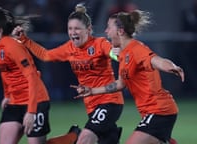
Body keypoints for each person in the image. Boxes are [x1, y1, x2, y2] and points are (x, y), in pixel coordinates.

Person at [12, 3, 124, 144]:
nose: (73, 32)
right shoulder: (69, 48)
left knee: (85, 138)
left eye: (77, 28)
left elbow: (112, 53)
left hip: (109, 102)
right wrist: (24, 40)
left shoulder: (99, 43)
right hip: (91, 105)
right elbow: (46, 55)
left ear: (88, 29)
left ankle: (74, 137)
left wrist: (117, 54)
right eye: (70, 28)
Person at [71, 10, 184, 144]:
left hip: (160, 111)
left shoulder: (136, 49)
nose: (106, 31)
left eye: (109, 27)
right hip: (150, 113)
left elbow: (155, 60)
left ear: (120, 31)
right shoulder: (124, 55)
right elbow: (120, 84)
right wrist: (92, 91)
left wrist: (171, 66)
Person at [0, 6, 80, 144]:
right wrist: (7, 95)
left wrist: (31, 111)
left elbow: (32, 77)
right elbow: (5, 71)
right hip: (15, 102)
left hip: (35, 101)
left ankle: (72, 138)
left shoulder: (11, 46)